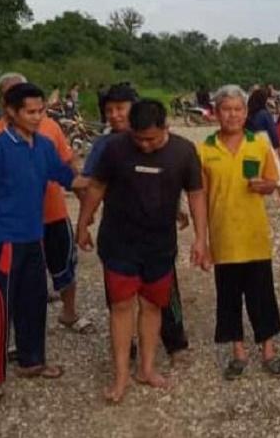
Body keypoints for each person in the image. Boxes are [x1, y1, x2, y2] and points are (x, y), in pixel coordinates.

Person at [76, 99, 209, 403]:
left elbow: (196, 195)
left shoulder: (184, 151)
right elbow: (96, 186)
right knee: (121, 307)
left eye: (152, 138)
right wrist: (83, 223)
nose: (145, 145)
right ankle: (121, 375)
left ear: (166, 127)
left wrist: (201, 239)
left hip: (159, 245)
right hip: (119, 242)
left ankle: (146, 368)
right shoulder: (115, 148)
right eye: (139, 139)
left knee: (152, 306)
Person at [0, 82, 83, 401]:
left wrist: (101, 179)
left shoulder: (43, 145)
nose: (37, 117)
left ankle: (32, 361)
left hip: (35, 237)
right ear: (11, 111)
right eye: (30, 112)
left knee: (34, 303)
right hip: (3, 240)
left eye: (41, 111)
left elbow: (67, 177)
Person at [0, 73, 93, 336]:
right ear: (5, 103)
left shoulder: (48, 128)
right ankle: (12, 336)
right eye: (13, 96)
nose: (33, 112)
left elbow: (67, 169)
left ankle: (68, 313)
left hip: (52, 213)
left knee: (64, 265)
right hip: (13, 227)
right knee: (15, 281)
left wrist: (87, 205)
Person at [197, 85, 280, 380]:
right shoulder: (205, 150)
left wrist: (266, 186)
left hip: (255, 235)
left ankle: (268, 350)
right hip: (223, 237)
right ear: (216, 113)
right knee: (229, 296)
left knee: (262, 294)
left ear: (246, 112)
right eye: (226, 109)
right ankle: (238, 352)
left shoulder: (258, 144)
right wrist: (203, 240)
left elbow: (274, 181)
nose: (232, 115)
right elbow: (200, 195)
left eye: (238, 109)